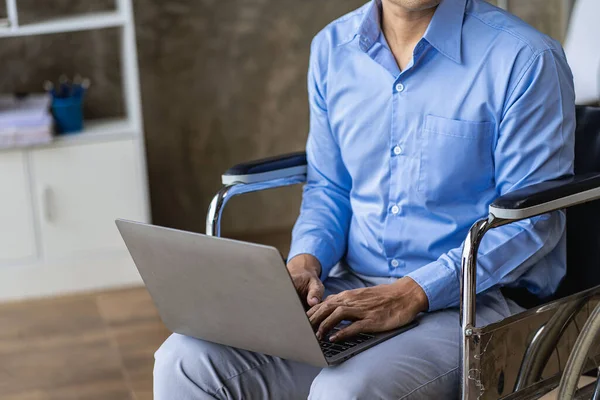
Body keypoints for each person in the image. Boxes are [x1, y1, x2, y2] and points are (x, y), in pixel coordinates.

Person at [154, 0, 575, 398]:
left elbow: (532, 223)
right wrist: (306, 261)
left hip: (474, 303)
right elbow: (329, 188)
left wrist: (412, 293)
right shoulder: (332, 50)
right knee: (184, 361)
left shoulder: (526, 59)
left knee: (346, 391)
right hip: (350, 290)